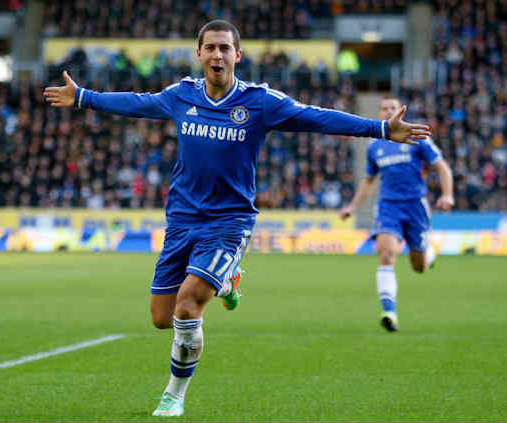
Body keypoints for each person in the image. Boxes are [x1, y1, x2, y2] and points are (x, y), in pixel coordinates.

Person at [44, 20, 431, 417]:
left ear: (237, 55)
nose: (217, 55)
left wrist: (381, 128)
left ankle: (174, 393)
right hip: (181, 220)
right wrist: (84, 98)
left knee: (187, 307)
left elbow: (317, 117)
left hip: (229, 223)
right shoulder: (182, 96)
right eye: (210, 48)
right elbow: (137, 103)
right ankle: (227, 280)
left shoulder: (259, 102)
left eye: (225, 49)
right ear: (198, 54)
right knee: (161, 319)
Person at [340, 97, 454, 333]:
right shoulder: (375, 146)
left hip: (415, 206)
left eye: (393, 107)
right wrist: (352, 207)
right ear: (380, 114)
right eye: (384, 108)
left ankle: (428, 253)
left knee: (419, 266)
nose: (389, 111)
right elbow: (369, 181)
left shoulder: (416, 137)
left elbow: (441, 166)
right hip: (388, 206)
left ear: (400, 111)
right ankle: (389, 312)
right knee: (386, 254)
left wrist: (447, 194)